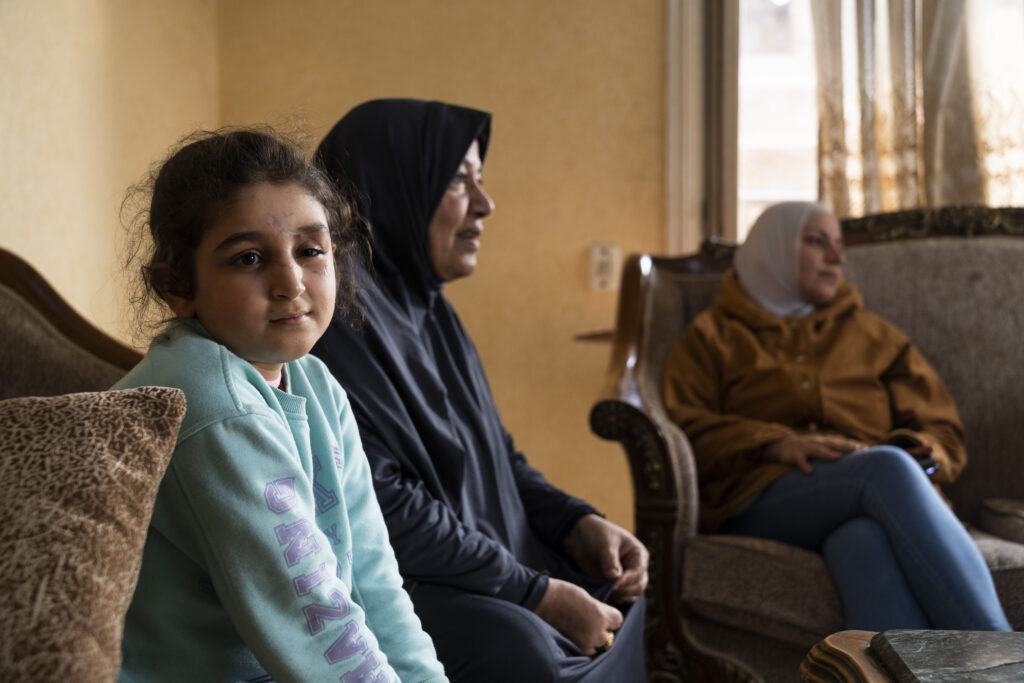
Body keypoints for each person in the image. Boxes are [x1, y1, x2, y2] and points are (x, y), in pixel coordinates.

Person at [310, 99, 648, 682]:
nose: (486, 205)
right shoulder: (335, 325)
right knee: (520, 648)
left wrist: (576, 522)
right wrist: (534, 592)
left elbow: (497, 454)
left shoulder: (431, 312)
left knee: (627, 587)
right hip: (403, 576)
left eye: (479, 181)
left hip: (480, 561)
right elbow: (386, 509)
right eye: (459, 180)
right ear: (394, 188)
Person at [113, 127, 448, 682]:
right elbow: (313, 616)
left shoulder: (317, 385)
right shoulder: (207, 401)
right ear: (178, 285)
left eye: (310, 251)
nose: (291, 281)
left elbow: (372, 578)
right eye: (248, 258)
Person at [662, 200, 1011, 631]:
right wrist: (774, 443)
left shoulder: (875, 335)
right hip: (760, 498)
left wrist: (918, 452)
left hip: (871, 490)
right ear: (772, 250)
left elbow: (942, 429)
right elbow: (682, 429)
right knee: (882, 469)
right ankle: (1006, 663)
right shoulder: (711, 337)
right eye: (816, 242)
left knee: (862, 541)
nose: (836, 257)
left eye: (839, 245)